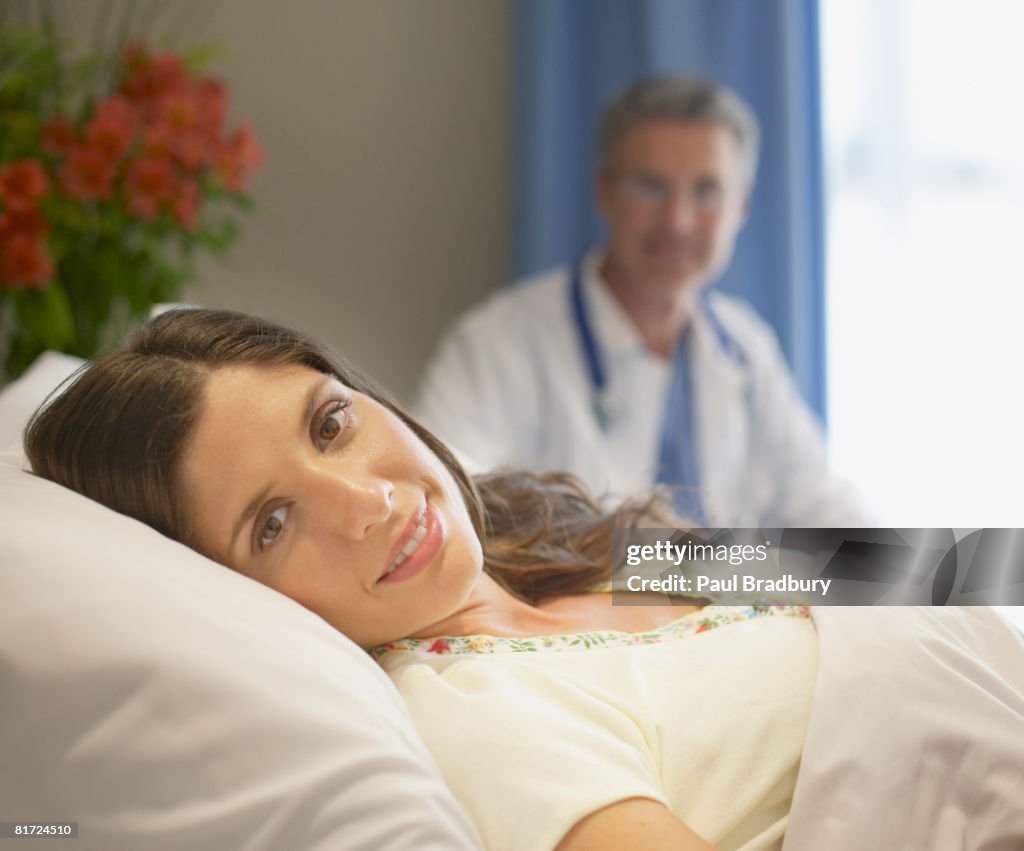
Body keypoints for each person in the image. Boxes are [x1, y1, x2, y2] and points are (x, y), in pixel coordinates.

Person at [24, 309, 1024, 851]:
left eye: (331, 423)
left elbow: (958, 565)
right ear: (234, 594)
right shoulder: (474, 713)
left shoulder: (594, 542)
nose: (365, 499)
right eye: (273, 523)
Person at [415, 76, 865, 527]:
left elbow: (822, 506)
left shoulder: (745, 345)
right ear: (604, 193)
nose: (678, 221)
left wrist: (919, 582)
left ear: (741, 206)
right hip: (555, 599)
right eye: (650, 187)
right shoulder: (498, 343)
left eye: (706, 191)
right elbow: (445, 508)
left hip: (729, 596)